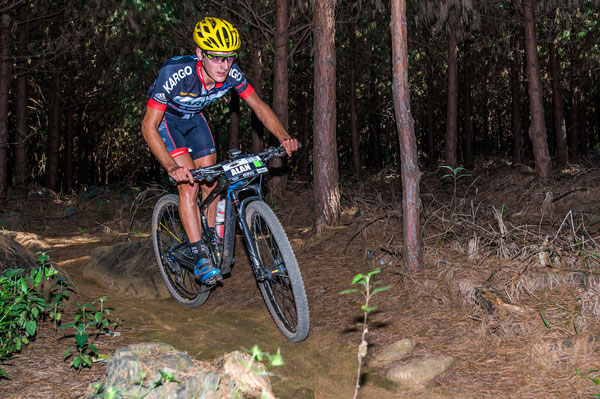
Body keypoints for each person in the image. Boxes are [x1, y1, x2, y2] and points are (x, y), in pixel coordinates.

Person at [142, 17, 298, 285]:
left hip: (195, 121)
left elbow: (258, 107)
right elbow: (148, 127)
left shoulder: (232, 73)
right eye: (216, 58)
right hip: (168, 122)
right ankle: (200, 255)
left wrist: (283, 136)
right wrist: (171, 166)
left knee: (211, 182)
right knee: (189, 186)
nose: (224, 66)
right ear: (200, 54)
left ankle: (212, 238)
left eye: (229, 59)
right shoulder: (176, 74)